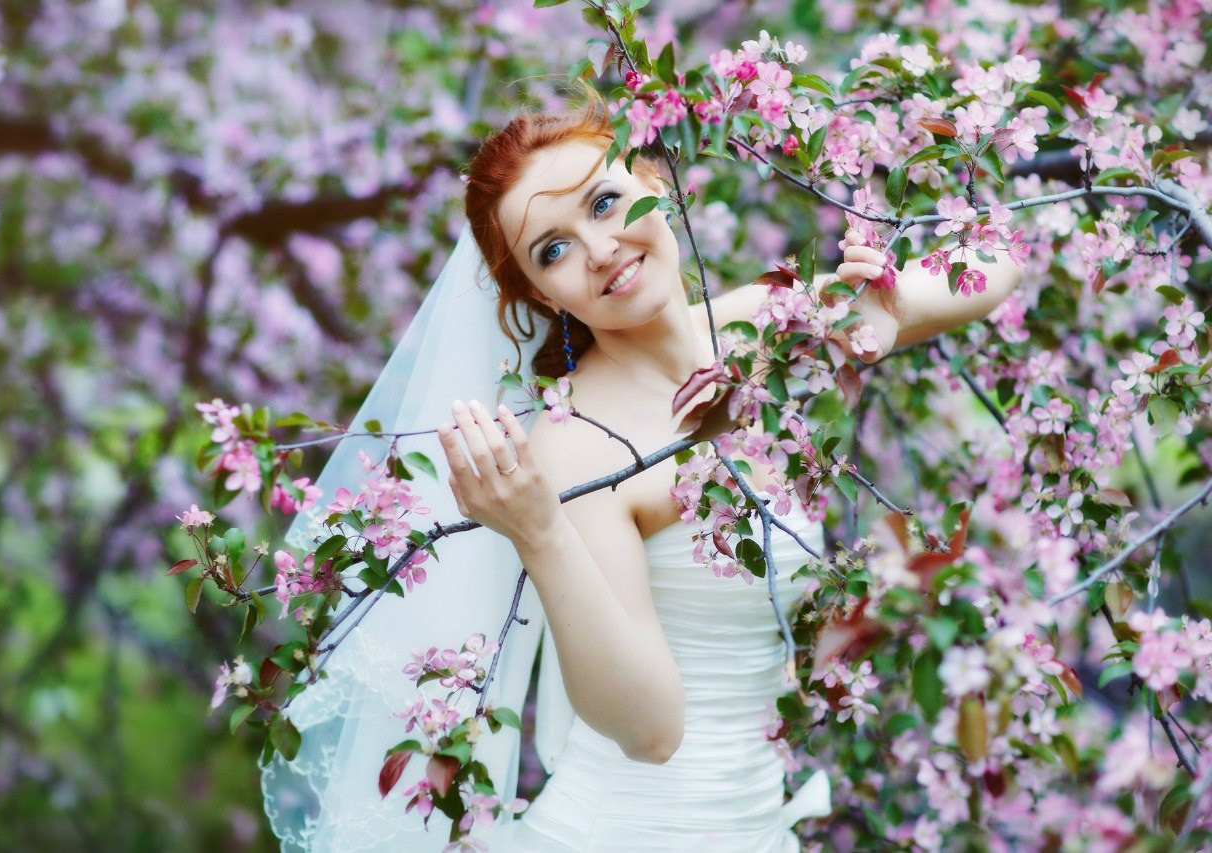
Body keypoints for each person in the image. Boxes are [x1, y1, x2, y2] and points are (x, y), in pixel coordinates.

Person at [262, 95, 1019, 852]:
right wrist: (539, 531)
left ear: (655, 179)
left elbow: (995, 262)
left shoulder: (766, 323)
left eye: (604, 202)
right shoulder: (578, 446)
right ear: (537, 294)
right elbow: (651, 730)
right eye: (551, 250)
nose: (598, 248)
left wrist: (889, 310)